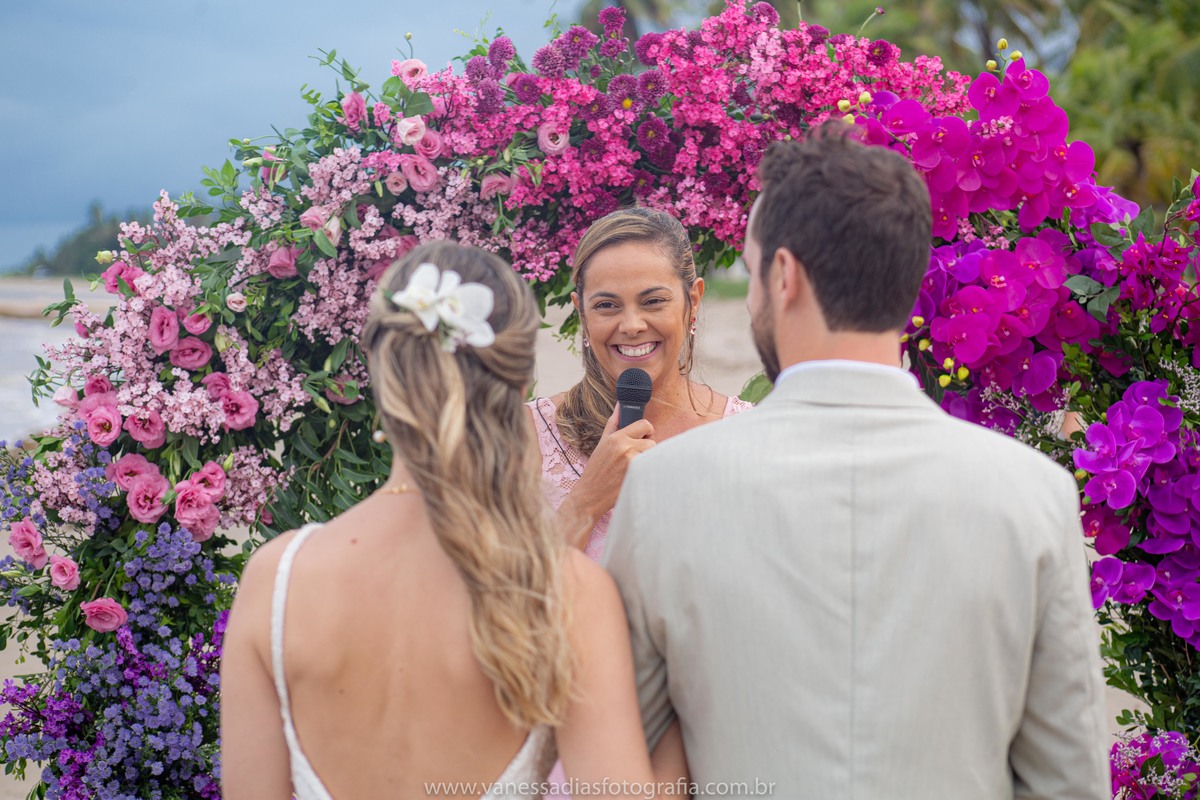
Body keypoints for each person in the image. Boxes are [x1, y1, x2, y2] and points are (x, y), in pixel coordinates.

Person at [604, 126, 1111, 797]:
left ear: (783, 277)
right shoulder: (1035, 495)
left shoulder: (661, 489)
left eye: (752, 273)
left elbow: (632, 764)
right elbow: (1069, 781)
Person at [221, 242, 681, 799]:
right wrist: (680, 711)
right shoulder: (563, 592)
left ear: (382, 376)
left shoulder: (276, 580)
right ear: (519, 386)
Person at [528, 207, 752, 560]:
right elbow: (500, 591)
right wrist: (586, 502)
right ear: (581, 311)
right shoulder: (526, 434)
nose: (632, 325)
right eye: (607, 305)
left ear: (693, 300)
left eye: (653, 301)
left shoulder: (749, 433)